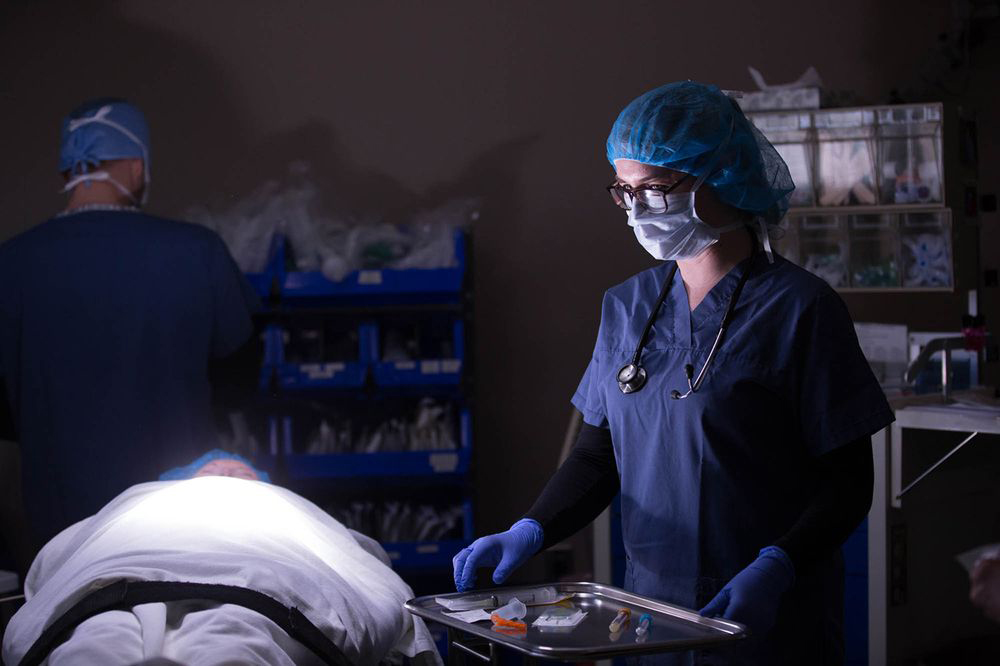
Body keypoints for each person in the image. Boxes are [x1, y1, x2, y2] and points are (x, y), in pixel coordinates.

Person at [453, 81, 894, 665]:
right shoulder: (627, 307)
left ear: (724, 177)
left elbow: (847, 482)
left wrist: (777, 566)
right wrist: (531, 529)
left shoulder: (800, 309)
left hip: (767, 622)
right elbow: (596, 455)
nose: (637, 210)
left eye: (656, 189)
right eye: (624, 191)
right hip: (651, 618)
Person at [0, 98, 260, 551]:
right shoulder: (197, 253)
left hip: (62, 533)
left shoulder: (12, 264)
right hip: (177, 522)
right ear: (138, 168)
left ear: (67, 172)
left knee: (68, 620)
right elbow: (239, 382)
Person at [2, 450, 440, 666]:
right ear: (176, 480)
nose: (226, 473)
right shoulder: (141, 501)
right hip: (119, 569)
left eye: (240, 471)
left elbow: (349, 552)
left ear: (267, 486)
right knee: (98, 638)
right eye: (213, 469)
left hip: (266, 580)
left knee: (235, 635)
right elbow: (76, 546)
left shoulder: (289, 508)